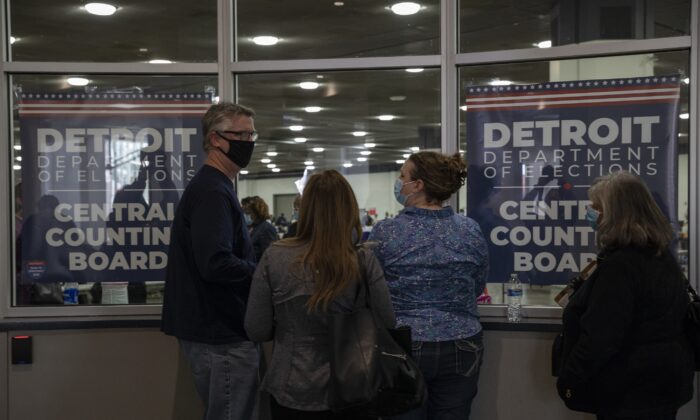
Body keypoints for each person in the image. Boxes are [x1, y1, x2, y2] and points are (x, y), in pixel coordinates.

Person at [244, 170, 396, 419]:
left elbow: (256, 329)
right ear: (348, 208)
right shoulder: (362, 259)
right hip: (353, 385)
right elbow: (388, 320)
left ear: (304, 209)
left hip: (290, 386)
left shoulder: (275, 256)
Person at [556, 171, 694, 420]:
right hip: (664, 384)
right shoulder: (662, 256)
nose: (590, 213)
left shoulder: (620, 267)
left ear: (615, 214)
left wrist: (570, 376)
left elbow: (602, 336)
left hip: (631, 390)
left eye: (596, 208)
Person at [368, 151, 489, 420]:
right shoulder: (470, 229)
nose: (398, 182)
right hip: (462, 341)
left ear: (418, 185)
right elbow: (478, 285)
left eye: (402, 176)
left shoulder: (386, 232)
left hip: (405, 343)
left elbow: (373, 291)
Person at [161, 102, 260, 420]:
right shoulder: (212, 191)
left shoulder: (217, 186)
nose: (249, 142)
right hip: (219, 332)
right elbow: (215, 262)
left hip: (216, 329)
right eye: (241, 134)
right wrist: (262, 273)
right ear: (216, 139)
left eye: (252, 134)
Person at [242, 195, 279, 261]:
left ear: (257, 212)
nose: (247, 214)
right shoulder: (254, 227)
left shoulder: (267, 229)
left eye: (249, 212)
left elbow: (269, 257)